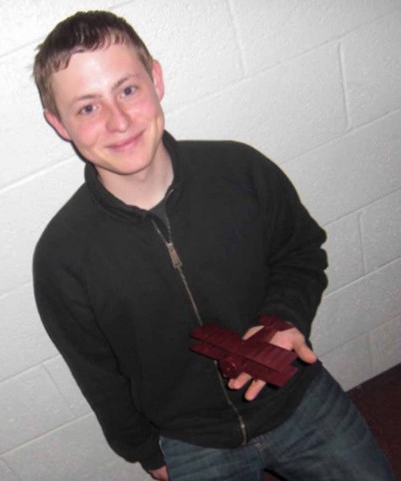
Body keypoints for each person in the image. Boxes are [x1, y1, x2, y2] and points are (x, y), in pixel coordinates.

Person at [32, 10, 395, 481]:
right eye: (87, 107)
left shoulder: (240, 169)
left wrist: (284, 320)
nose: (118, 121)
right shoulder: (63, 257)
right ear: (59, 123)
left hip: (296, 394)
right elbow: (97, 371)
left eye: (127, 90)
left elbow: (301, 252)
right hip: (189, 440)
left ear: (156, 79)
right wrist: (146, 453)